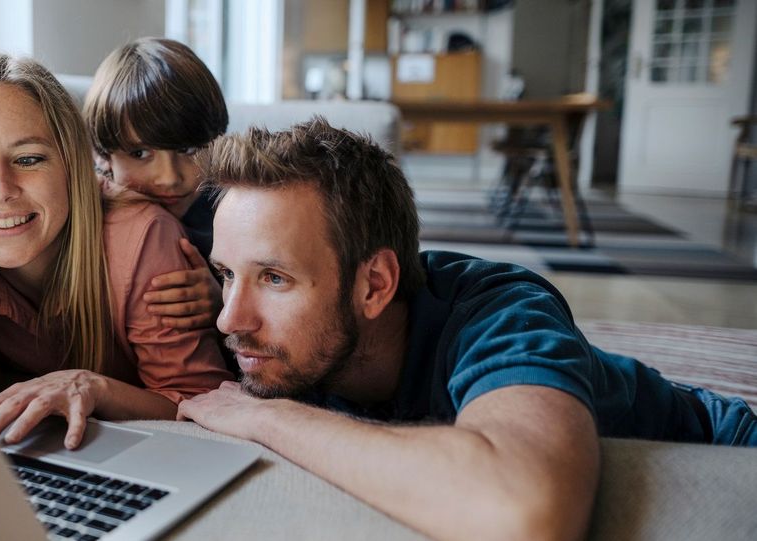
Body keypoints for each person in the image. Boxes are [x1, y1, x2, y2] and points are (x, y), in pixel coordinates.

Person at [177, 117, 757, 540]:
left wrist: (267, 416)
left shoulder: (501, 311)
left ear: (375, 285)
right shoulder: (278, 336)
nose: (231, 318)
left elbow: (524, 512)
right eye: (226, 273)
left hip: (717, 452)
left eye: (274, 278)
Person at [0, 52, 231, 450]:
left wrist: (94, 387)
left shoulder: (146, 236)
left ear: (75, 164)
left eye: (28, 159)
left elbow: (204, 407)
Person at [84, 37, 228, 331]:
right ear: (103, 156)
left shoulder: (232, 213)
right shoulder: (85, 218)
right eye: (140, 153)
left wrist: (224, 303)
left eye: (188, 150)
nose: (169, 177)